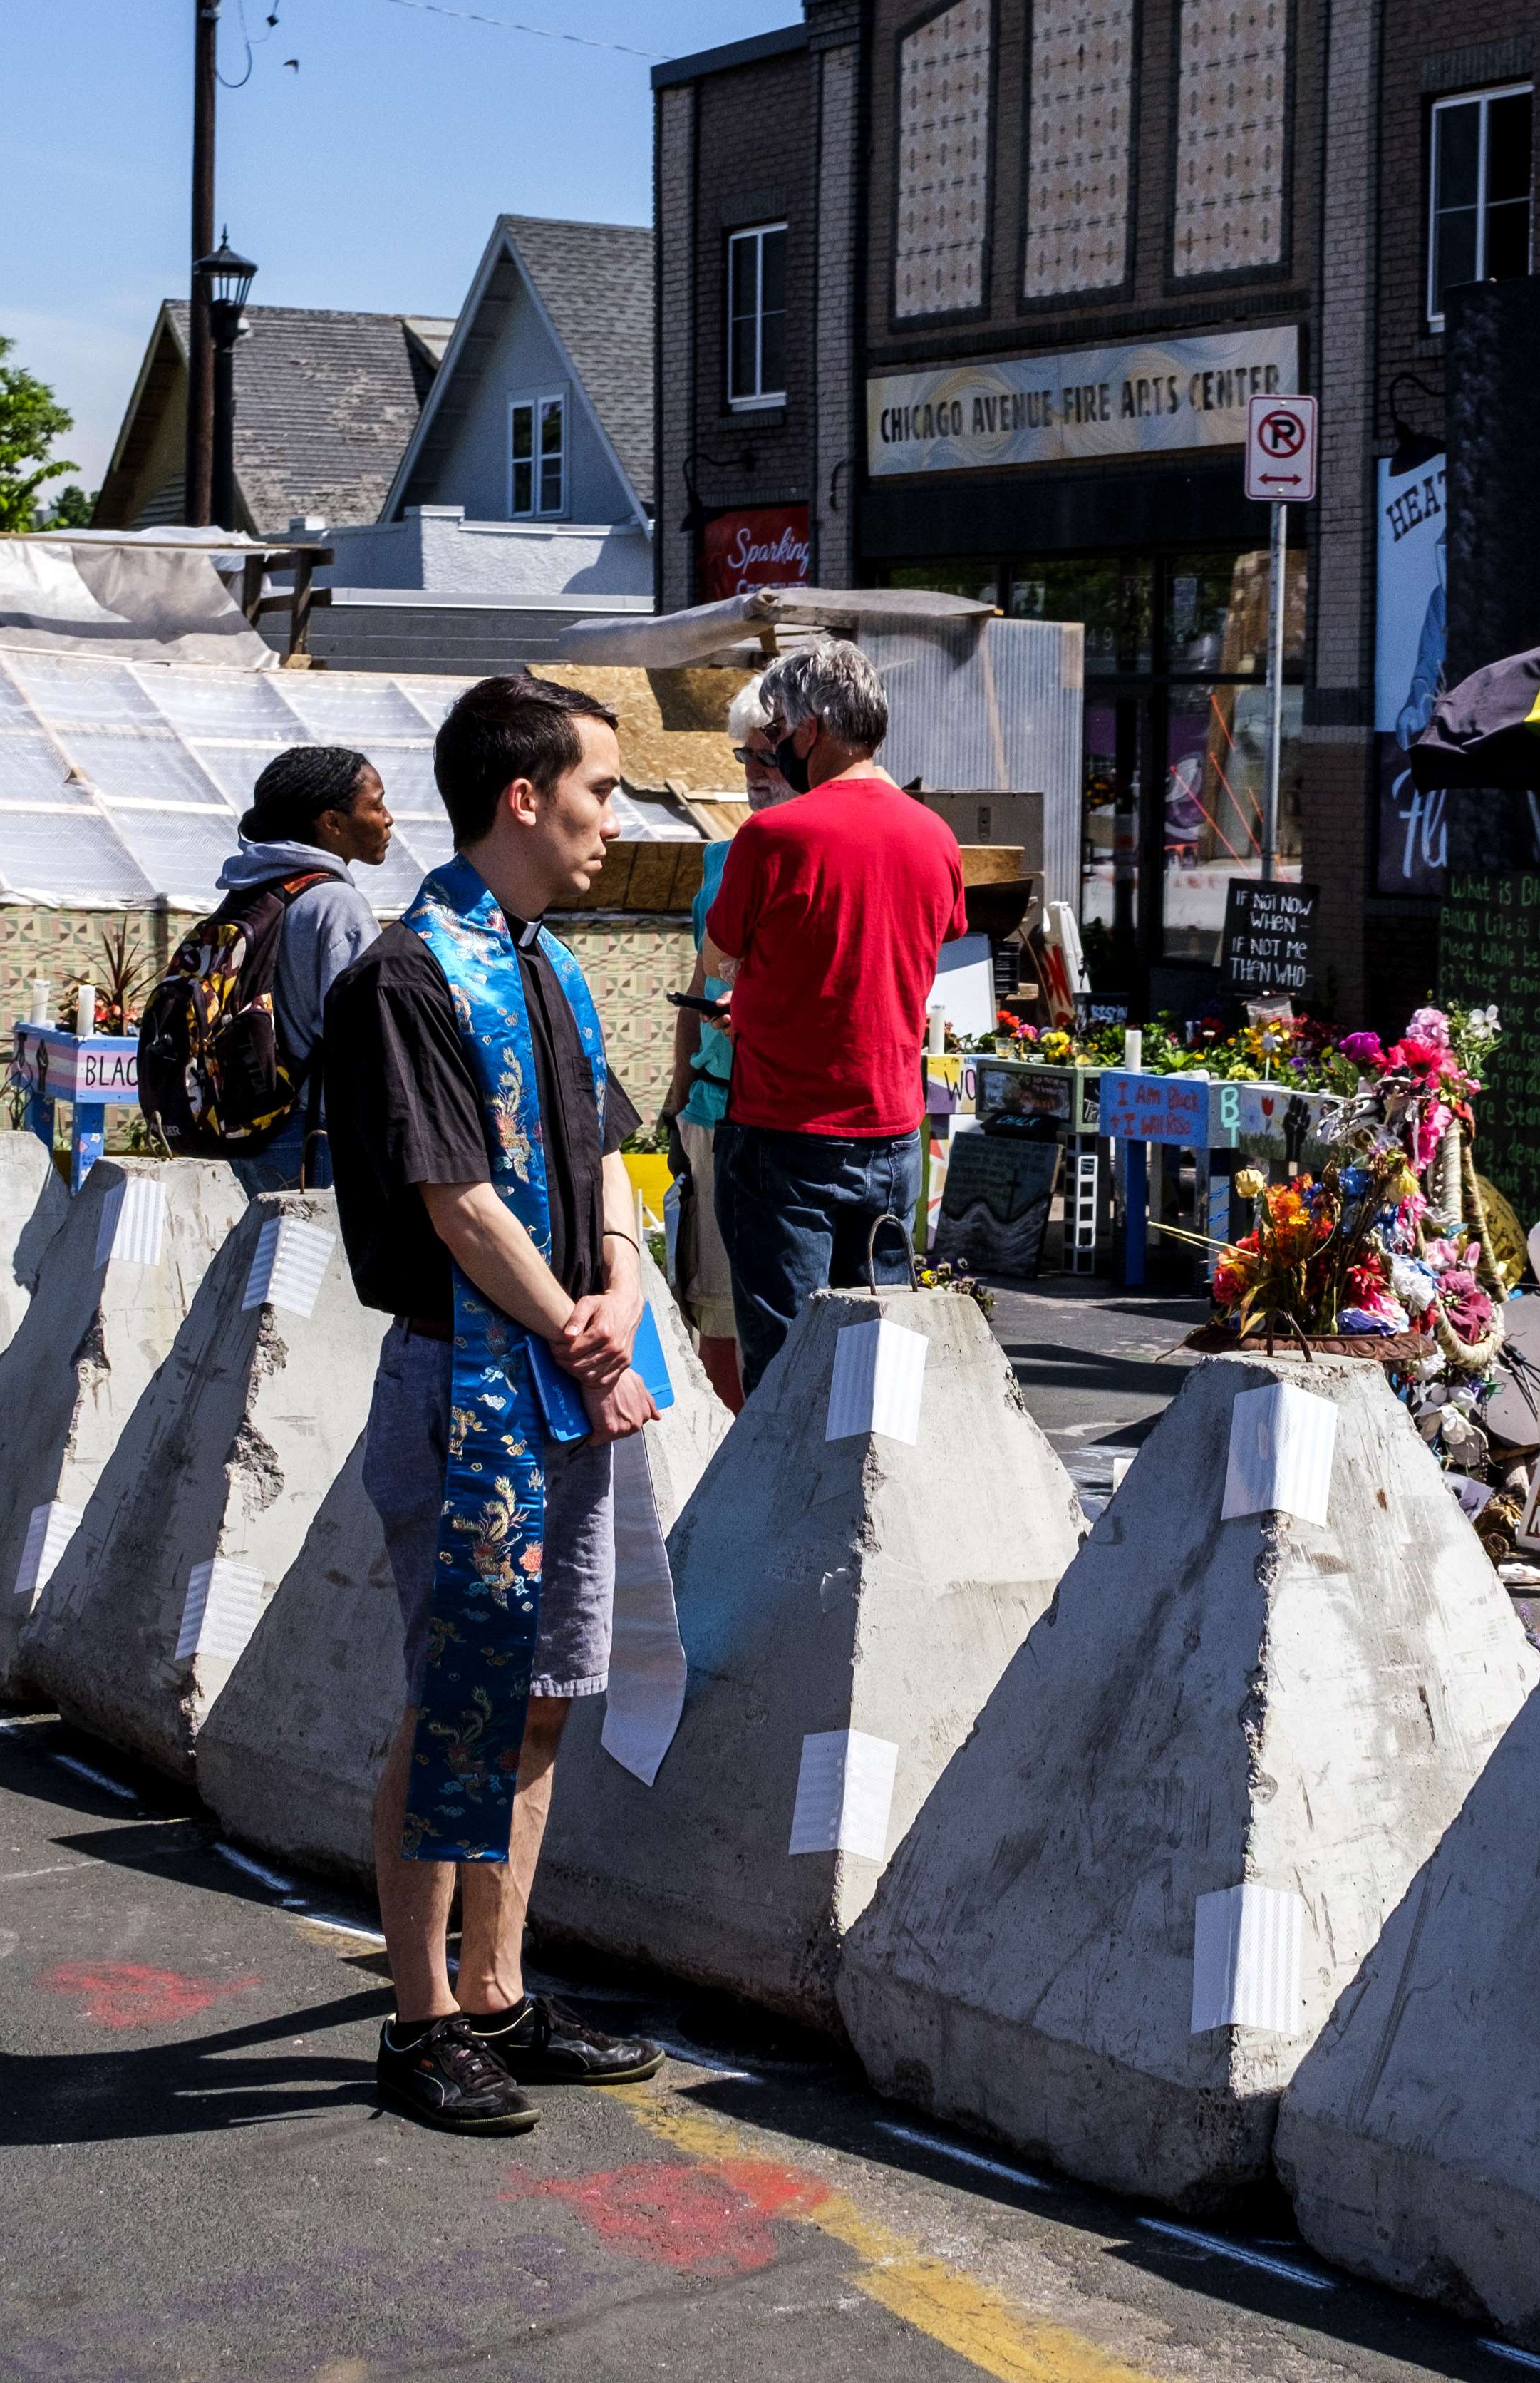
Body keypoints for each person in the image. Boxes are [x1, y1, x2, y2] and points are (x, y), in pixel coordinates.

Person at [320, 671, 666, 2134]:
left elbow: (604, 1157)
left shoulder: (553, 966)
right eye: (598, 792)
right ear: (521, 797)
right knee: (453, 1700)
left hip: (564, 1379)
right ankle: (415, 2017)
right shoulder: (410, 972)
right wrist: (578, 1334)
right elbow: (453, 1199)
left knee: (539, 1701)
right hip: (465, 1381)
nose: (613, 822)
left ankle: (497, 1987)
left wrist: (628, 1287)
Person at [705, 637, 967, 1396]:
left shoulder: (772, 838)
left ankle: (779, 1517)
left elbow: (724, 952)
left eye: (779, 729)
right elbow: (906, 949)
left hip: (785, 1129)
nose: (776, 746)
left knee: (786, 1374)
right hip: (892, 1131)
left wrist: (755, 997)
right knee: (875, 1367)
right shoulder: (936, 837)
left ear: (810, 730)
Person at [158, 745, 391, 1186]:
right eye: (375, 805)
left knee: (256, 1255)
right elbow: (367, 1038)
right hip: (311, 1138)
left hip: (244, 1126)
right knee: (310, 1256)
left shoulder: (251, 892)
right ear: (332, 822)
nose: (387, 818)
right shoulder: (338, 906)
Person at [659, 688, 795, 1411]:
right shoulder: (723, 858)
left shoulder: (827, 853)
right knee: (714, 1307)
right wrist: (680, 1093)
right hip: (717, 1108)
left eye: (770, 755)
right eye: (746, 754)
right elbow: (699, 979)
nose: (754, 771)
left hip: (794, 1117)